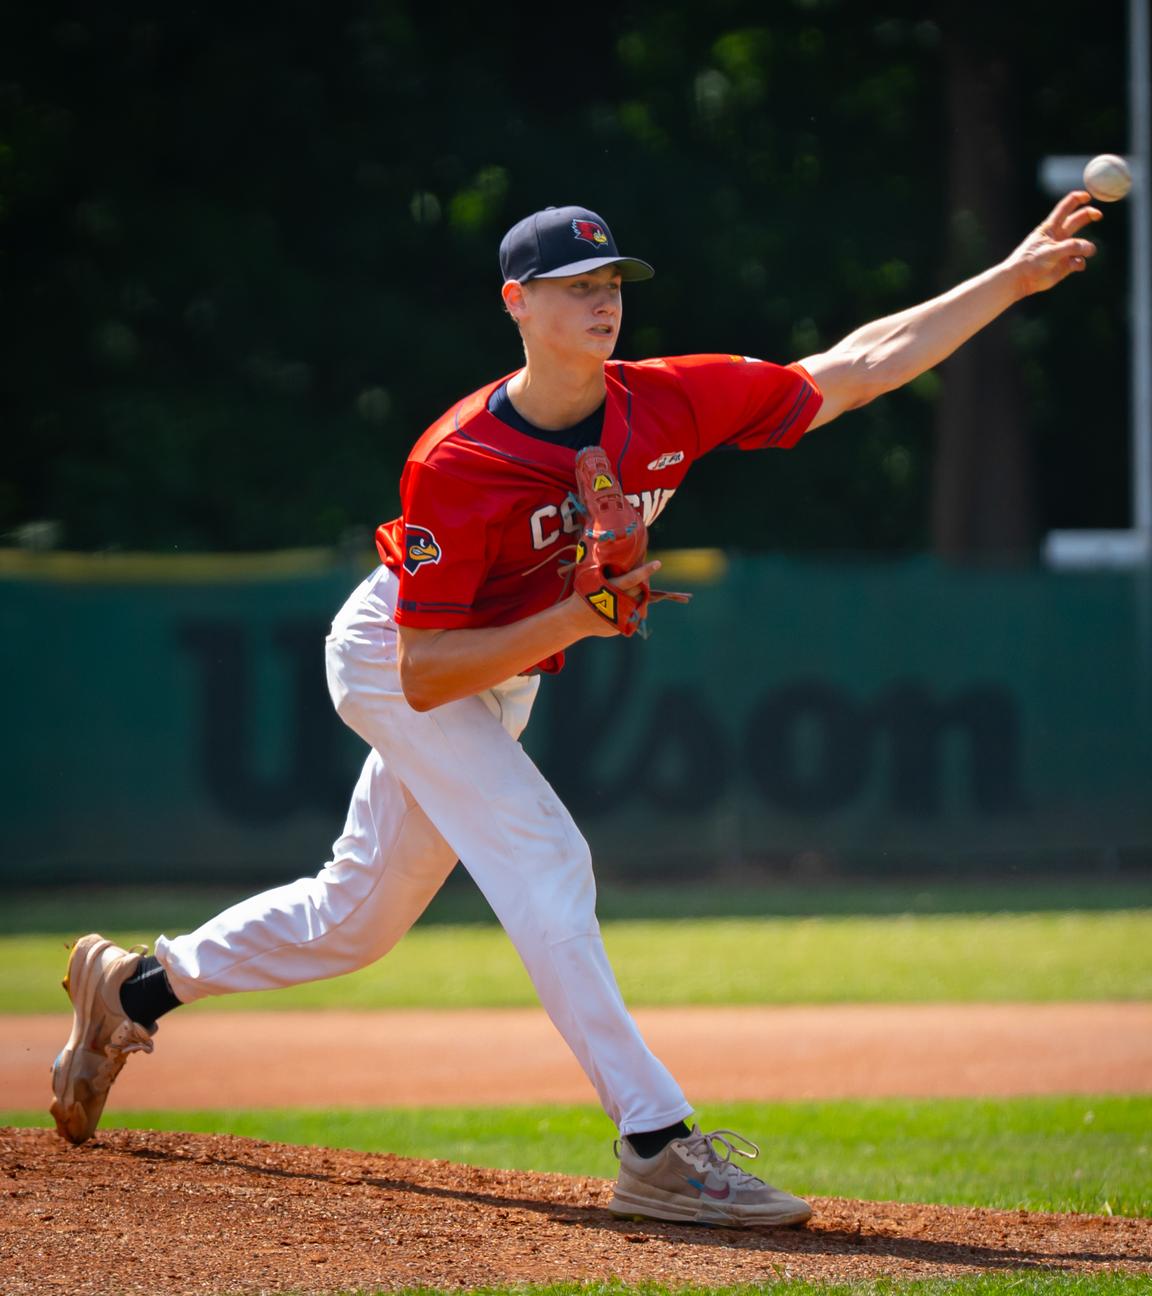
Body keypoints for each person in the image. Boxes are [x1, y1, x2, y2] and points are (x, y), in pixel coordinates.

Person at [50, 194, 1101, 1227]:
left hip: (498, 670)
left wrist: (1009, 278)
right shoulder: (459, 462)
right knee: (547, 860)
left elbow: (854, 368)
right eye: (574, 286)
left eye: (612, 284)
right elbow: (422, 676)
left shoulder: (669, 401)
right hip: (401, 657)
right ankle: (656, 1147)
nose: (603, 303)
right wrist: (581, 614)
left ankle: (133, 990)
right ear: (516, 301)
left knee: (355, 920)